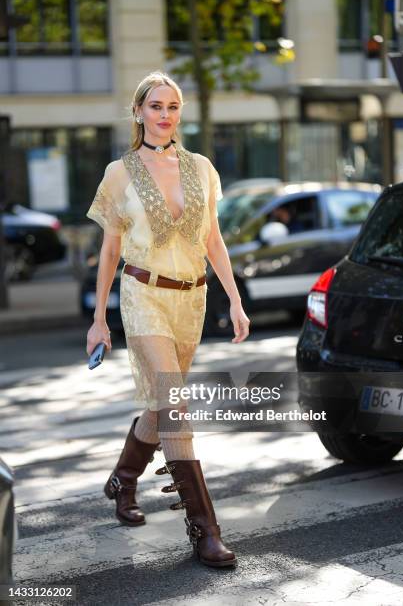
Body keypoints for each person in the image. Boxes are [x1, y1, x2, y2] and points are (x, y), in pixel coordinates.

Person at [85, 70, 250, 568]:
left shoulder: (201, 167)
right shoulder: (120, 172)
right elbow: (110, 249)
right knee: (175, 405)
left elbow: (213, 240)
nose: (164, 115)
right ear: (139, 112)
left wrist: (236, 300)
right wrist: (99, 318)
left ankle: (123, 480)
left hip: (192, 300)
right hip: (143, 295)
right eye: (155, 106)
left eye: (172, 107)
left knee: (162, 406)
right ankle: (205, 531)